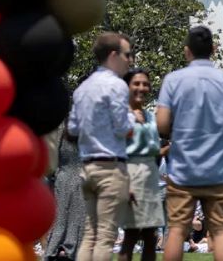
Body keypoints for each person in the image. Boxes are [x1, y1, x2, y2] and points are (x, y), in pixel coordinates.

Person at [156, 25, 223, 261]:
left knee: (177, 230)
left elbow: (162, 124)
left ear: (187, 51)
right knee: (219, 231)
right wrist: (222, 136)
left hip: (183, 168)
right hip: (218, 168)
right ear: (214, 50)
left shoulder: (173, 80)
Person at [68, 32, 134, 261]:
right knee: (106, 236)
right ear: (114, 55)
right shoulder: (116, 86)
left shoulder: (82, 88)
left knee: (90, 234)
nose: (130, 60)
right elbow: (122, 127)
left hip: (87, 166)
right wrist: (133, 120)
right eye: (127, 54)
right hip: (110, 166)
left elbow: (73, 130)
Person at [118, 68, 166, 261]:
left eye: (145, 83)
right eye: (136, 83)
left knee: (150, 235)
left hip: (150, 174)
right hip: (131, 173)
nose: (141, 87)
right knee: (131, 233)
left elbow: (153, 150)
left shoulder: (151, 116)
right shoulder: (121, 114)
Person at [45, 120, 87, 261]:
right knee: (78, 220)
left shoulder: (61, 128)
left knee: (60, 219)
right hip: (83, 178)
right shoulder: (89, 129)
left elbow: (53, 156)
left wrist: (53, 175)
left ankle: (52, 251)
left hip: (63, 177)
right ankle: (74, 252)